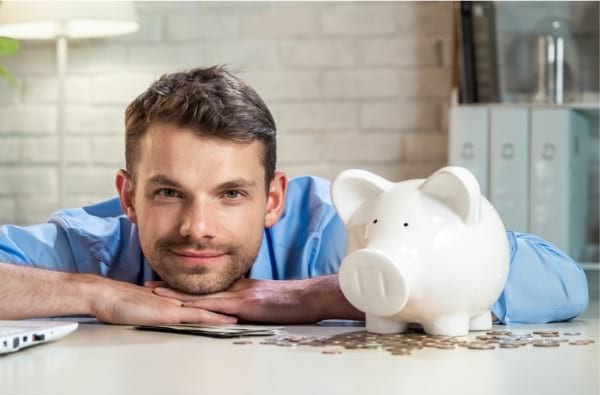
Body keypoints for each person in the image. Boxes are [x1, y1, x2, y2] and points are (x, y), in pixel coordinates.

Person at [0, 66, 589, 326]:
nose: (197, 227)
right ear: (127, 197)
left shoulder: (343, 230)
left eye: (232, 193)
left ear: (274, 198)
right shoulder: (91, 247)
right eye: (169, 192)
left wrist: (330, 294)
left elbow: (562, 280)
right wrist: (94, 294)